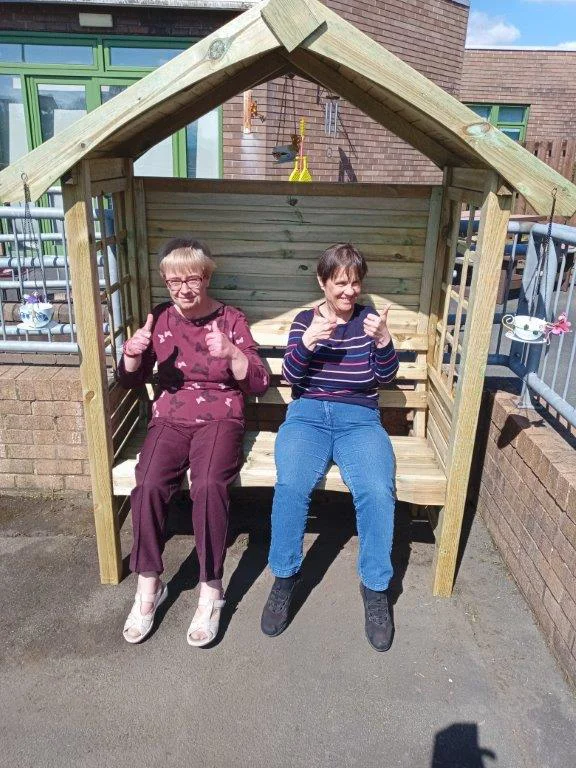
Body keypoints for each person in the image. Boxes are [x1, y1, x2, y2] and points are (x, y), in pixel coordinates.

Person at [119, 237, 269, 646]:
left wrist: (233, 354)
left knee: (207, 485)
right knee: (147, 484)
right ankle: (149, 585)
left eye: (192, 279)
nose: (183, 289)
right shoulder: (161, 318)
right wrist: (132, 354)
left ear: (206, 277)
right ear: (165, 283)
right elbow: (131, 378)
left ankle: (211, 590)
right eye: (173, 281)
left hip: (220, 416)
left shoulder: (231, 319)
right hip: (169, 416)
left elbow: (258, 382)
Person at [260, 243, 399, 652]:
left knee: (377, 491)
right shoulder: (305, 320)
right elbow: (289, 376)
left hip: (359, 419)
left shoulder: (370, 322)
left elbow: (385, 378)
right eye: (340, 282)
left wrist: (385, 341)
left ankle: (375, 589)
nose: (349, 291)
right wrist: (307, 343)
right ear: (323, 282)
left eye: (355, 283)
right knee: (292, 487)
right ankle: (284, 579)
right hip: (307, 416)